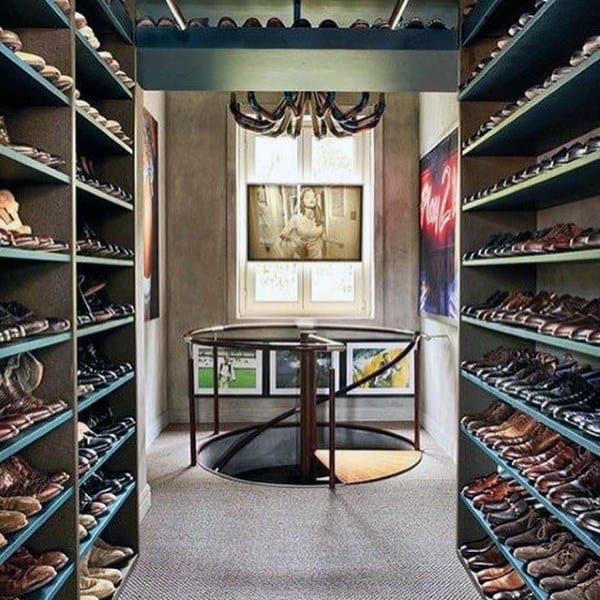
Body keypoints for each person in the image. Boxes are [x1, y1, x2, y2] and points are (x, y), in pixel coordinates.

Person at [279, 187, 343, 259]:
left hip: (316, 255)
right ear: (302, 201)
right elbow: (282, 234)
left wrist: (337, 241)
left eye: (313, 196)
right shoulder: (296, 218)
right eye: (307, 197)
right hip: (300, 255)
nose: (311, 199)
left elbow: (324, 237)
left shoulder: (319, 218)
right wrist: (295, 239)